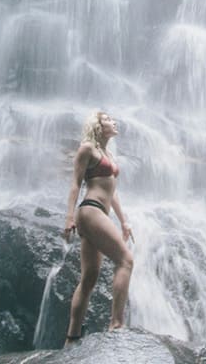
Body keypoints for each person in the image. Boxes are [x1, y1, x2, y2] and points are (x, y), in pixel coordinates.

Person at [62, 111, 134, 345]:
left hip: (100, 213)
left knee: (89, 278)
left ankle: (71, 338)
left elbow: (112, 193)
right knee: (126, 260)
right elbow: (75, 183)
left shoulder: (108, 154)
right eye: (108, 119)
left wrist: (123, 221)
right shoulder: (87, 149)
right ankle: (116, 323)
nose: (114, 121)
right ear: (98, 125)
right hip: (90, 210)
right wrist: (69, 217)